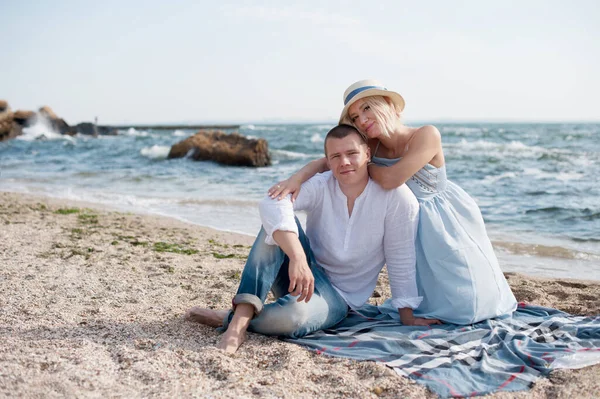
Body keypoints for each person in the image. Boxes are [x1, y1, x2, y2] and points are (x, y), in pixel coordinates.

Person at [268, 79, 517, 325]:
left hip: (440, 215)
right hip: (407, 217)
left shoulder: (426, 134)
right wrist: (297, 179)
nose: (362, 120)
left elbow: (391, 179)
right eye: (354, 117)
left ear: (388, 104)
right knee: (425, 290)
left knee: (464, 295)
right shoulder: (372, 145)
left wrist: (365, 166)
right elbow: (327, 161)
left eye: (367, 108)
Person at [185, 124, 440, 353]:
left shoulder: (396, 199)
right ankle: (238, 324)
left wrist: (406, 314)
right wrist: (297, 257)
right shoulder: (322, 184)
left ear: (367, 154)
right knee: (275, 223)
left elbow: (401, 255)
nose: (345, 163)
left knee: (292, 318)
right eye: (336, 156)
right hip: (301, 274)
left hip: (339, 297)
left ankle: (227, 317)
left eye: (352, 154)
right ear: (327, 161)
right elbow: (272, 203)